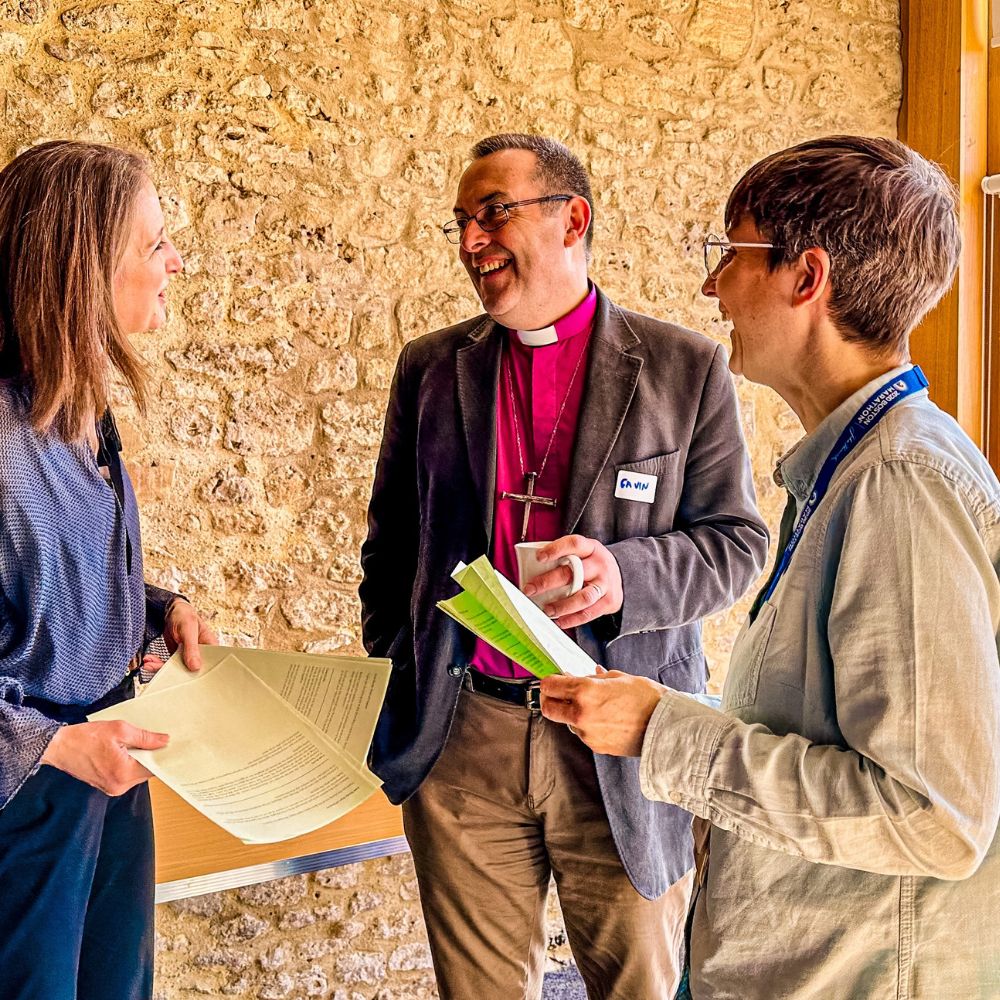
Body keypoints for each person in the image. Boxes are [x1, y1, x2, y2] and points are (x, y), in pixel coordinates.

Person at [540, 135, 1000, 998]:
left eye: (731, 254)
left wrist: (662, 732)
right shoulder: (856, 465)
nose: (711, 287)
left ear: (806, 278)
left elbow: (931, 816)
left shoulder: (900, 483)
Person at [359, 133, 768, 999]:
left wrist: (624, 577)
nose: (473, 242)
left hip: (619, 739)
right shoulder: (431, 368)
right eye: (463, 223)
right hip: (464, 739)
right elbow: (391, 543)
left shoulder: (683, 369)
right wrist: (404, 668)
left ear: (572, 218)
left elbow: (737, 545)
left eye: (494, 213)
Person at [0, 140, 216, 1000]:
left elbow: (47, 578)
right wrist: (54, 744)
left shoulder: (84, 412)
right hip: (26, 794)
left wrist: (157, 611)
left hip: (109, 770)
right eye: (152, 243)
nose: (175, 262)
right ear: (81, 267)